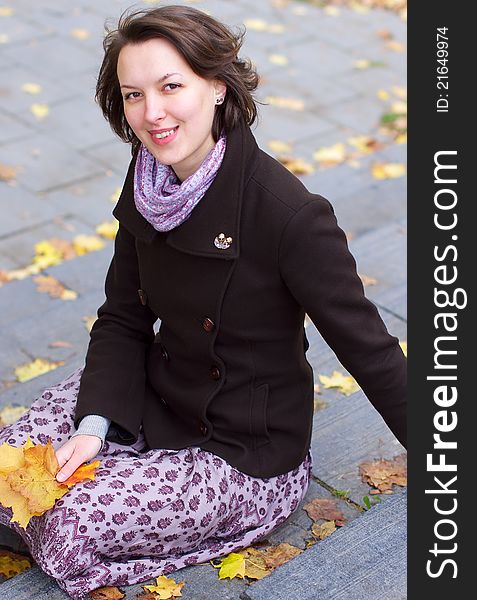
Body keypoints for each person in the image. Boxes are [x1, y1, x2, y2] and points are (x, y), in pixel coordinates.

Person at [0, 4, 406, 598]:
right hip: (156, 392)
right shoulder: (148, 179)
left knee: (67, 520)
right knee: (12, 467)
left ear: (217, 85)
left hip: (242, 450)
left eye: (171, 87)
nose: (151, 114)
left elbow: (369, 349)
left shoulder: (289, 215)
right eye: (133, 94)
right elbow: (123, 314)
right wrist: (94, 425)